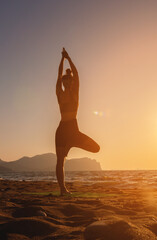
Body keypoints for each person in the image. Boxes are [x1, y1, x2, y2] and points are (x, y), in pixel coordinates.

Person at [55, 48, 100, 195]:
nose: (66, 82)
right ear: (62, 82)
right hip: (62, 130)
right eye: (64, 80)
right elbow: (58, 73)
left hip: (73, 130)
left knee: (96, 148)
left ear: (72, 81)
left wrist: (68, 58)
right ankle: (63, 190)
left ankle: (73, 143)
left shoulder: (75, 94)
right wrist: (62, 60)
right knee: (60, 160)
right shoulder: (59, 93)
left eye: (69, 80)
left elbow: (77, 73)